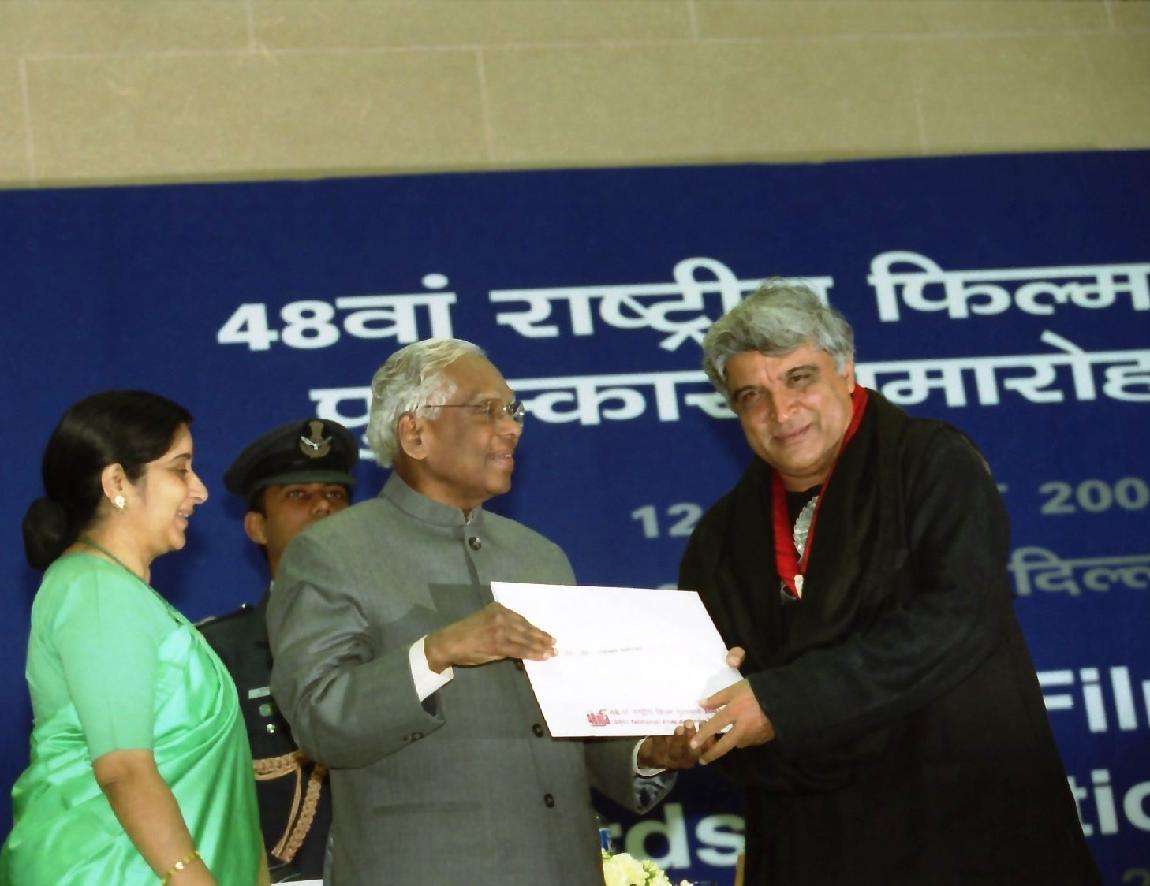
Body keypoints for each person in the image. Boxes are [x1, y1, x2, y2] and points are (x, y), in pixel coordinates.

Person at [682, 282, 1101, 885]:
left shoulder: (932, 463)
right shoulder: (720, 537)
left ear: (846, 370)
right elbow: (719, 681)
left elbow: (958, 618)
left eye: (799, 379)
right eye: (753, 395)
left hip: (964, 824)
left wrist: (785, 703)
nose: (781, 411)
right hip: (811, 839)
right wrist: (695, 724)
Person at [267, 338, 699, 886]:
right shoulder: (331, 553)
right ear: (414, 433)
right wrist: (435, 653)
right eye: (486, 410)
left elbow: (566, 723)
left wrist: (648, 752)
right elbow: (318, 721)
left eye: (513, 410)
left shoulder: (539, 556)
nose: (511, 428)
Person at [0, 390, 265, 886]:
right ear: (117, 482)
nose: (200, 491)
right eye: (180, 470)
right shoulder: (98, 592)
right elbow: (124, 768)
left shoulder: (117, 592)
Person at [199, 418, 358, 882]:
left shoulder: (405, 640)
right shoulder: (217, 653)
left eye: (336, 495)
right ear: (256, 527)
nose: (323, 507)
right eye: (298, 496)